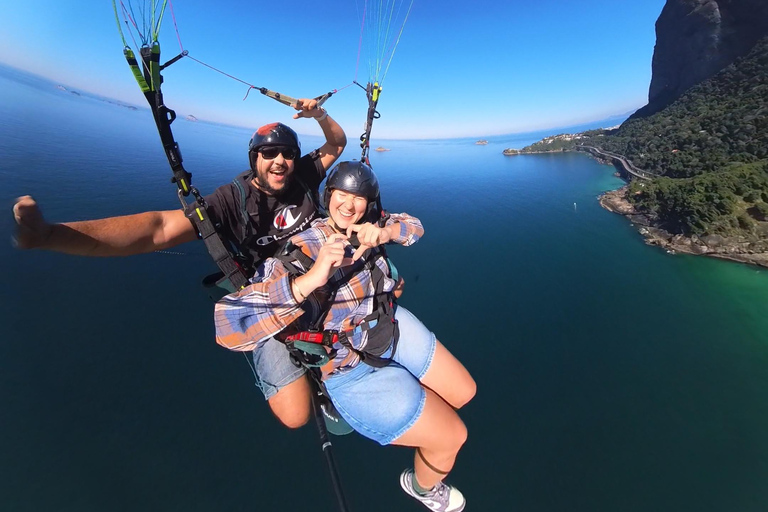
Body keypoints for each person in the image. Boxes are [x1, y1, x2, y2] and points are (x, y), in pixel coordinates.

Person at [12, 99, 346, 429]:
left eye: (288, 152)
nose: (280, 161)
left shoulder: (303, 174)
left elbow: (337, 142)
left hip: (320, 271)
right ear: (254, 157)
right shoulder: (233, 200)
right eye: (269, 153)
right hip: (272, 292)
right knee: (295, 415)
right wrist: (51, 235)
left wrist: (319, 114)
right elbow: (158, 229)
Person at [214, 161, 476, 512]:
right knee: (453, 437)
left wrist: (386, 232)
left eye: (359, 199)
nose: (349, 206)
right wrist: (310, 278)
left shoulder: (371, 225)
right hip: (348, 367)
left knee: (464, 393)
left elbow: (415, 228)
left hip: (388, 325)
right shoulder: (302, 249)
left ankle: (419, 415)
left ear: (370, 204)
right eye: (341, 195)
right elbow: (229, 325)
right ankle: (423, 488)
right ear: (328, 196)